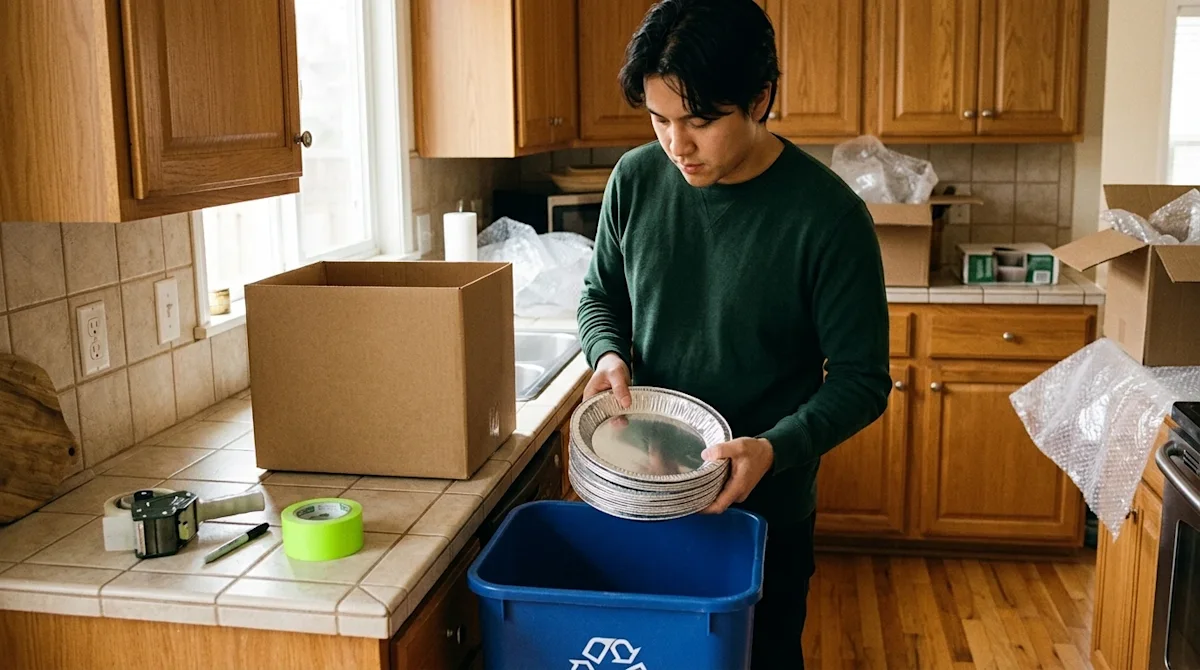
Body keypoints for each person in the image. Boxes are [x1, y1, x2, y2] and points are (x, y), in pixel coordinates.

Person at [575, 1, 893, 667]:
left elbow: (864, 382)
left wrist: (774, 449)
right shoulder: (633, 180)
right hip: (646, 496)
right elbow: (601, 296)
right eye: (659, 119)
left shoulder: (829, 217)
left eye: (701, 121)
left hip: (765, 513)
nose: (676, 144)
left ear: (761, 98)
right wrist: (607, 353)